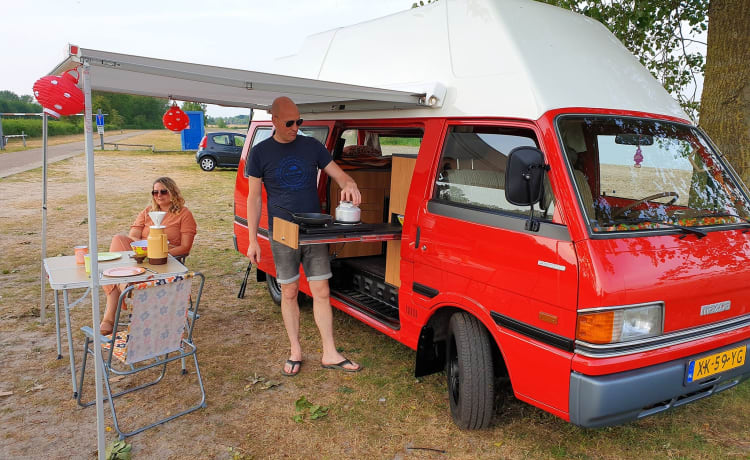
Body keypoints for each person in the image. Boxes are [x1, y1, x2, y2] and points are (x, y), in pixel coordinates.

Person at [246, 96, 363, 376]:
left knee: (322, 290)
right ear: (274, 120)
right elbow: (254, 198)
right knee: (289, 291)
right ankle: (295, 350)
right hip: (283, 232)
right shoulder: (260, 153)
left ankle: (330, 353)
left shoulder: (312, 147)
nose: (295, 127)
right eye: (289, 123)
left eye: (299, 121)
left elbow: (341, 176)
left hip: (315, 229)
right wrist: (252, 239)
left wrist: (351, 184)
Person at [99, 177, 197, 335]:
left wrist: (157, 252)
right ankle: (125, 285)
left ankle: (110, 315)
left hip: (166, 258)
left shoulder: (184, 214)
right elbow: (133, 235)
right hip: (141, 256)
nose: (158, 195)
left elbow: (186, 247)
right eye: (155, 192)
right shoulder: (147, 212)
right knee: (118, 239)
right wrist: (144, 249)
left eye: (163, 191)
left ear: (173, 192)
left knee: (116, 273)